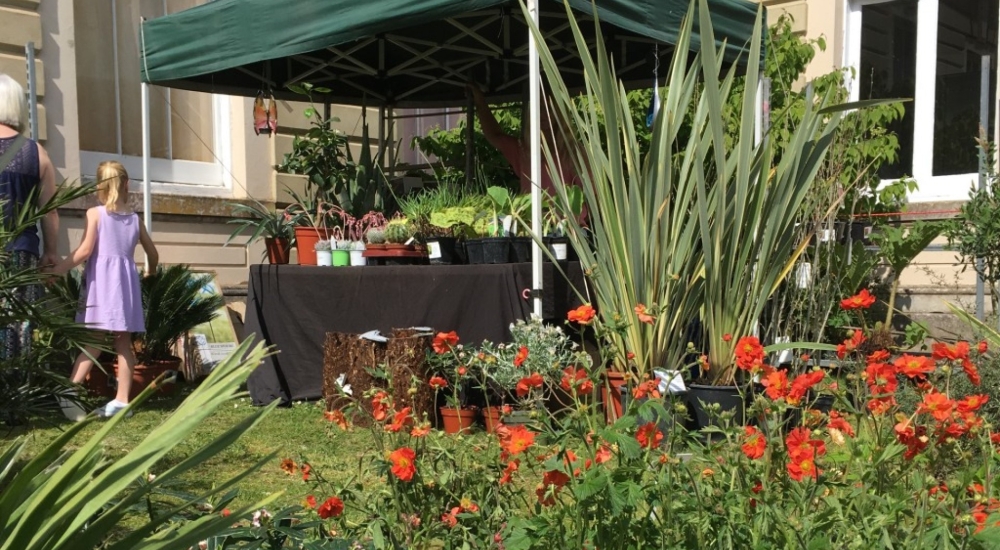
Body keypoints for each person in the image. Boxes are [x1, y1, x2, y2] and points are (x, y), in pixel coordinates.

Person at [51, 161, 158, 419]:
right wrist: (149, 273)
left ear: (99, 186)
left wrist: (60, 269)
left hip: (102, 286)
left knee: (94, 342)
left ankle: (70, 388)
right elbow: (152, 254)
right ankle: (121, 400)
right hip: (125, 287)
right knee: (124, 343)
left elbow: (86, 251)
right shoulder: (134, 220)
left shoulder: (95, 214)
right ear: (126, 183)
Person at [0, 73, 59, 359]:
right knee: (18, 326)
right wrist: (50, 252)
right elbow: (49, 212)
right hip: (21, 254)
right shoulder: (37, 153)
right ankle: (16, 392)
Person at [467, 83, 582, 197]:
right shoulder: (524, 150)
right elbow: (494, 135)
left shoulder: (573, 152)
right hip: (531, 215)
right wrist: (479, 99)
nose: (543, 114)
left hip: (566, 216)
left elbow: (591, 197)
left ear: (559, 113)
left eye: (549, 109)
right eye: (539, 108)